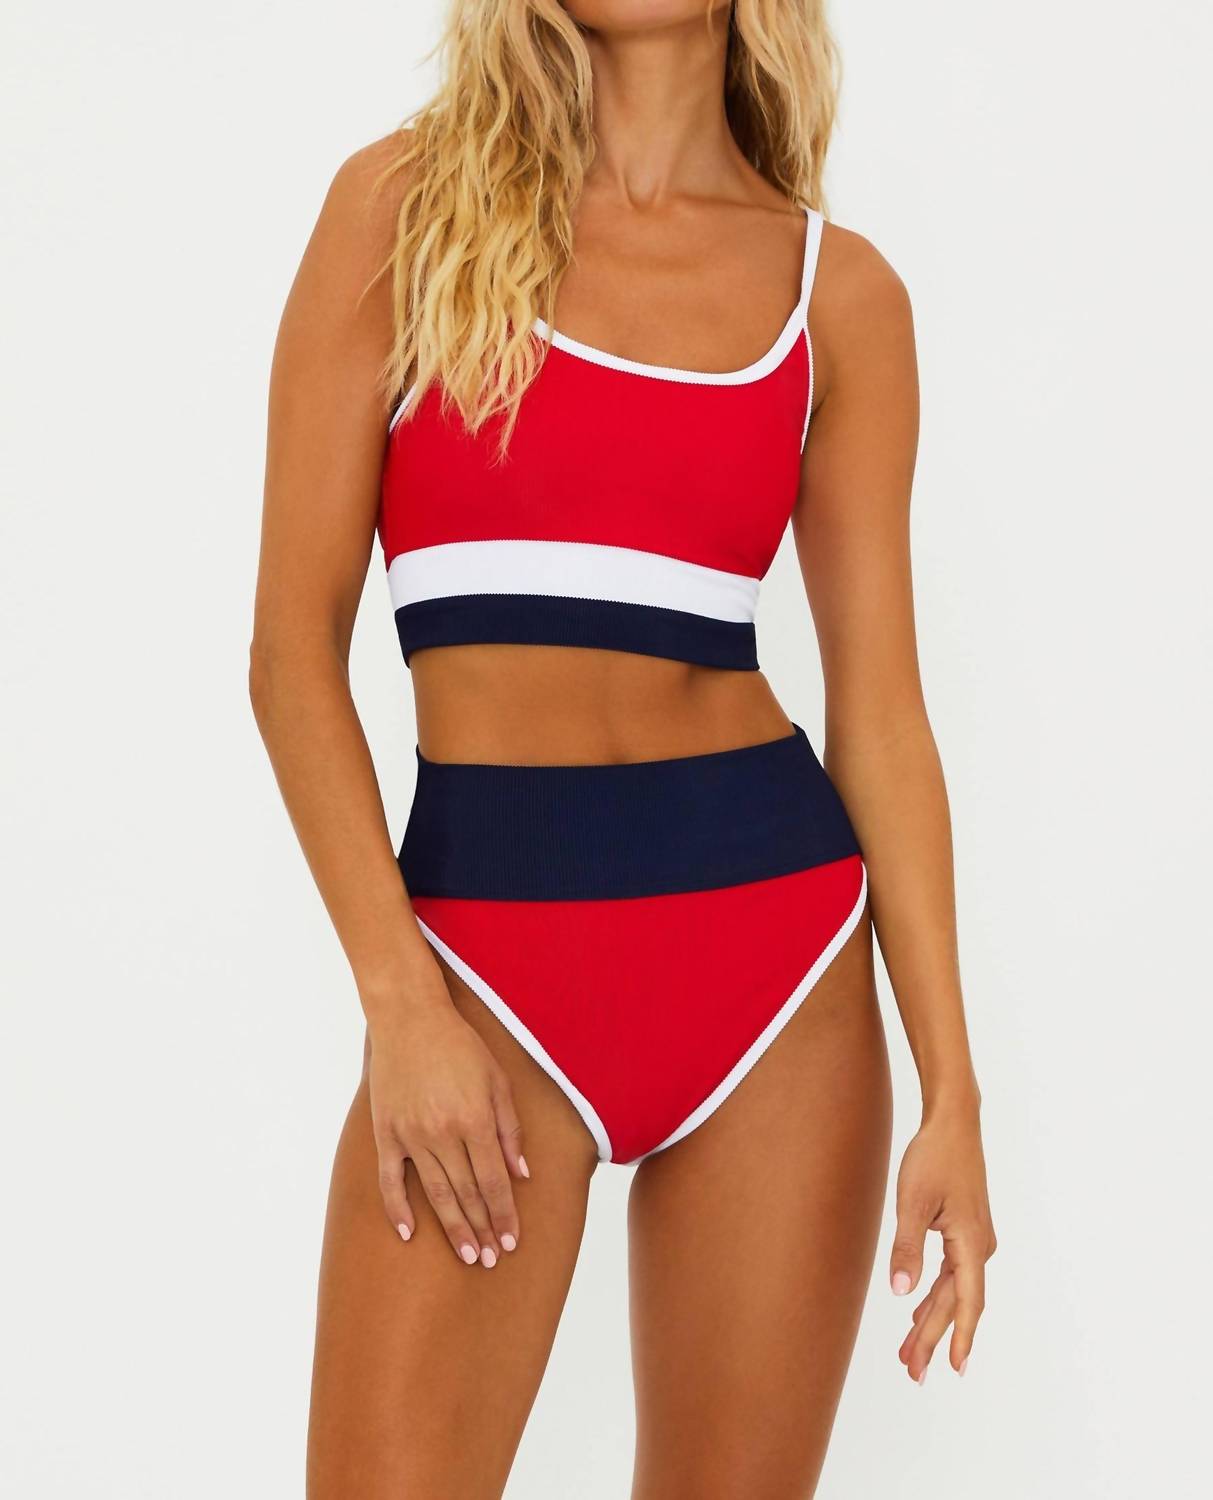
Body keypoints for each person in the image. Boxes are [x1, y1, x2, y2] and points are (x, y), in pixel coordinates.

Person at [250, 2, 996, 1495]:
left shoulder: (835, 295)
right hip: (482, 972)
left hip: (775, 975)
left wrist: (952, 1095)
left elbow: (882, 712)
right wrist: (402, 1006)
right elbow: (290, 653)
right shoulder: (402, 212)